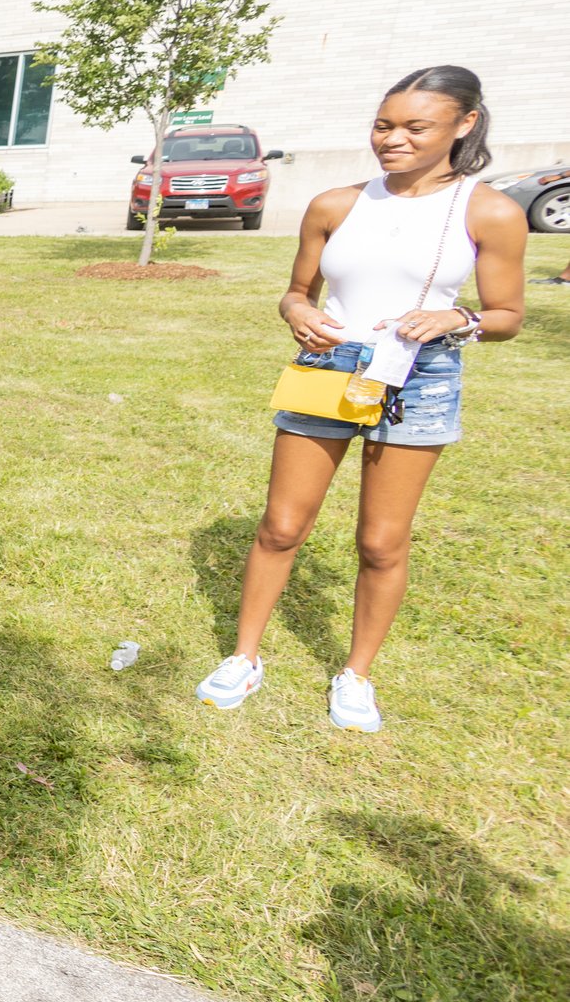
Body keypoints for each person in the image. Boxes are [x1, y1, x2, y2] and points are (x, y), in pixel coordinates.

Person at [198, 66, 527, 733]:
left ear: (464, 125)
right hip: (328, 366)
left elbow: (508, 315)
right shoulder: (335, 205)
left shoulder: (488, 211)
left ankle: (356, 674)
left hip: (420, 374)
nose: (393, 139)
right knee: (281, 526)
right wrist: (295, 311)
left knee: (381, 541)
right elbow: (298, 291)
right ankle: (244, 655)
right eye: (384, 125)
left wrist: (456, 319)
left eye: (415, 127)